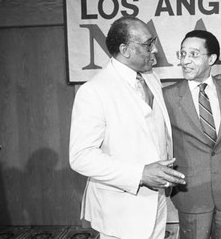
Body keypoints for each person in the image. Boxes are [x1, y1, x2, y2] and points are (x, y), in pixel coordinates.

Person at [69, 16, 186, 239]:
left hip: (157, 203)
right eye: (148, 44)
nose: (155, 50)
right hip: (120, 211)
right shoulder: (94, 91)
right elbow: (81, 157)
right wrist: (140, 174)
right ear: (125, 49)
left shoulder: (151, 79)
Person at [163, 30, 221, 239]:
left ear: (212, 59)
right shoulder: (168, 97)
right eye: (182, 54)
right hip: (190, 193)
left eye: (193, 54)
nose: (185, 61)